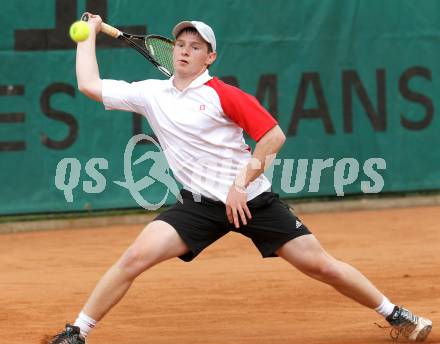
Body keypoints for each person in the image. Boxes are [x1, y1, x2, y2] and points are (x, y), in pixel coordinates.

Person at [46, 13, 432, 344]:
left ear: (210, 57)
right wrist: (89, 34)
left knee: (322, 266)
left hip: (252, 201)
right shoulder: (152, 94)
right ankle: (77, 331)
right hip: (197, 205)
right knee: (134, 258)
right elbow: (89, 86)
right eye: (180, 43)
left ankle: (396, 314)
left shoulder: (224, 95)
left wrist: (240, 185)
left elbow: (273, 136)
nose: (184, 49)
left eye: (195, 46)